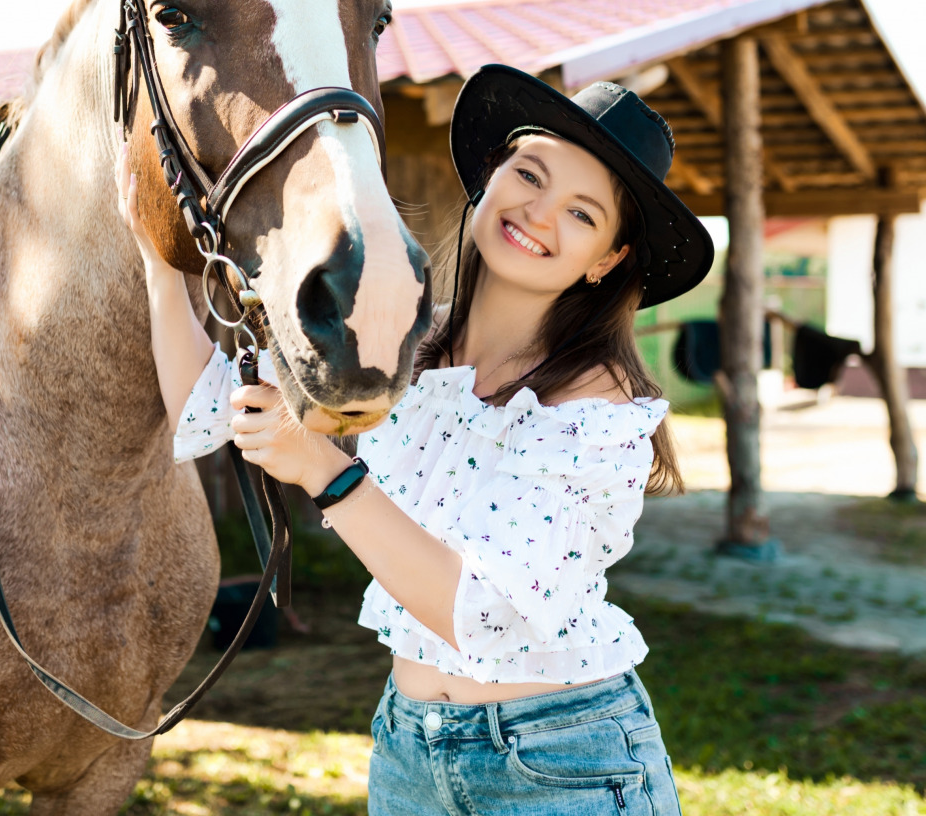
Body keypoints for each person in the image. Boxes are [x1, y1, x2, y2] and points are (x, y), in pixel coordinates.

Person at [117, 63, 714, 815]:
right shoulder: (409, 345)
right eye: (529, 174)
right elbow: (206, 408)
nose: (539, 212)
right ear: (490, 175)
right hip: (408, 746)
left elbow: (482, 615)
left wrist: (323, 471)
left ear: (608, 259)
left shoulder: (593, 408)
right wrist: (156, 261)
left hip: (561, 761)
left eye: (583, 214)